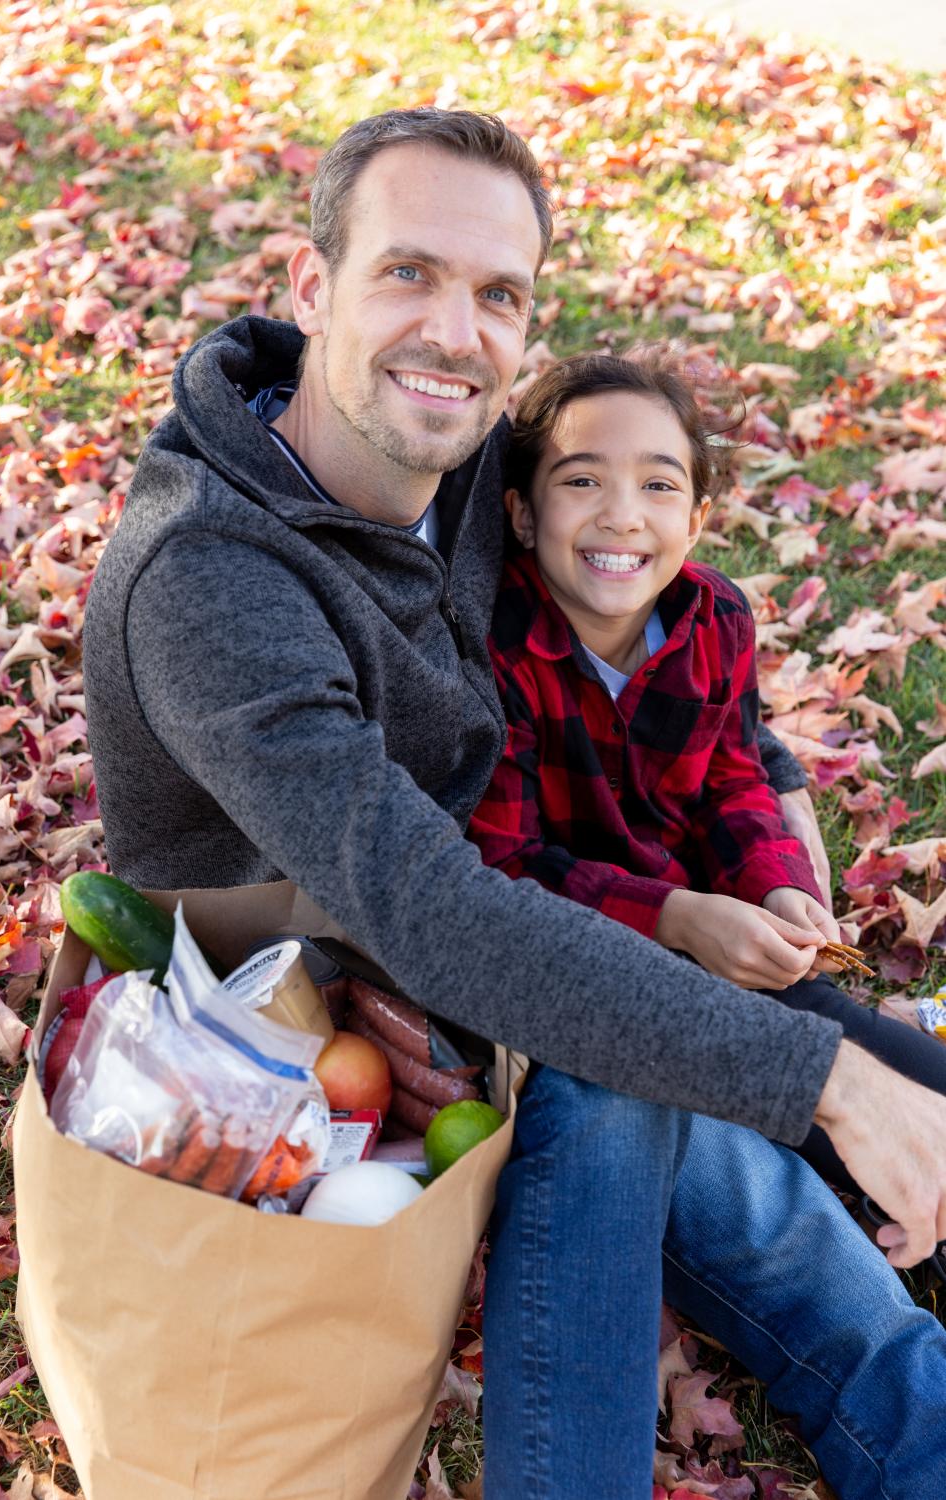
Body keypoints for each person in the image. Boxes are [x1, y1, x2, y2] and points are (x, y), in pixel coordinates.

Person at [81, 108, 946, 1498]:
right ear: (312, 292)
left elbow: (671, 616)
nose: (456, 332)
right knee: (640, 1085)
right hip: (299, 1053)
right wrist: (827, 1079)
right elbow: (432, 914)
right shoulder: (206, 583)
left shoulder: (475, 464)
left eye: (499, 295)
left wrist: (778, 800)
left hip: (516, 958)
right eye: (408, 273)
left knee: (820, 1252)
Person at [468, 346, 946, 1192]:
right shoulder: (497, 652)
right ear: (520, 511)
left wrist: (776, 883)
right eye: (581, 481)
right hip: (583, 975)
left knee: (907, 1081)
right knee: (806, 1124)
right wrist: (680, 919)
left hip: (724, 939)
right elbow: (507, 865)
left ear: (694, 520)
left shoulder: (715, 617)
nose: (622, 517)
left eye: (658, 486)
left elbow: (732, 776)